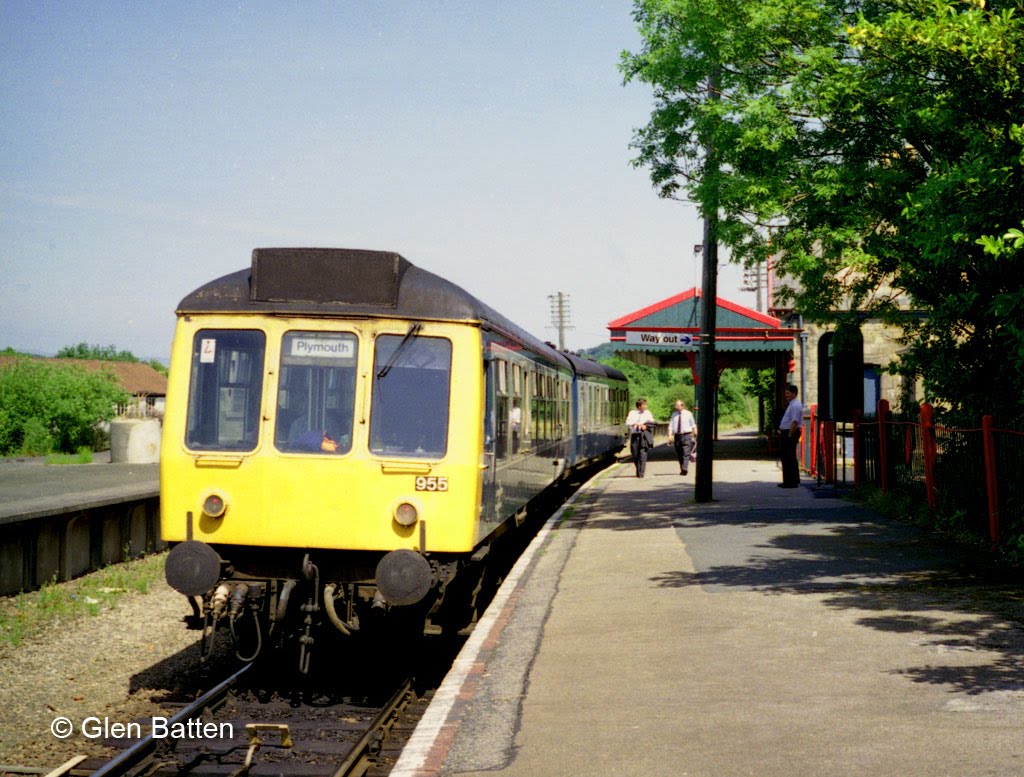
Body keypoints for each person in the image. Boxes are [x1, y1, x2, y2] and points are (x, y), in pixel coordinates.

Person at [778, 383, 804, 488]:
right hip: (788, 431)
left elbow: (794, 421)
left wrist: (789, 434)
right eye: (785, 393)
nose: (786, 395)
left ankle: (790, 482)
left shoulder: (795, 405)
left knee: (788, 457)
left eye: (788, 393)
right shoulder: (792, 404)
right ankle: (792, 480)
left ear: (794, 394)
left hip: (790, 432)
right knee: (789, 457)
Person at [625, 398, 656, 478]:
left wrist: (645, 426)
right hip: (635, 435)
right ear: (639, 406)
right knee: (635, 453)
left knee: (643, 453)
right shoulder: (632, 413)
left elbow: (653, 423)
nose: (646, 406)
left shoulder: (648, 413)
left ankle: (641, 473)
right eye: (644, 405)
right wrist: (637, 424)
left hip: (644, 435)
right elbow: (627, 423)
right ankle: (639, 469)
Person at [669, 399, 697, 476]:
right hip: (677, 436)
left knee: (686, 452)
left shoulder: (688, 414)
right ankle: (682, 468)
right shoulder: (674, 414)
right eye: (676, 405)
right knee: (680, 453)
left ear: (683, 406)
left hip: (686, 435)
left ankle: (685, 468)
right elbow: (671, 426)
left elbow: (693, 424)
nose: (676, 407)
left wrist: (695, 433)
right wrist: (670, 435)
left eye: (678, 405)